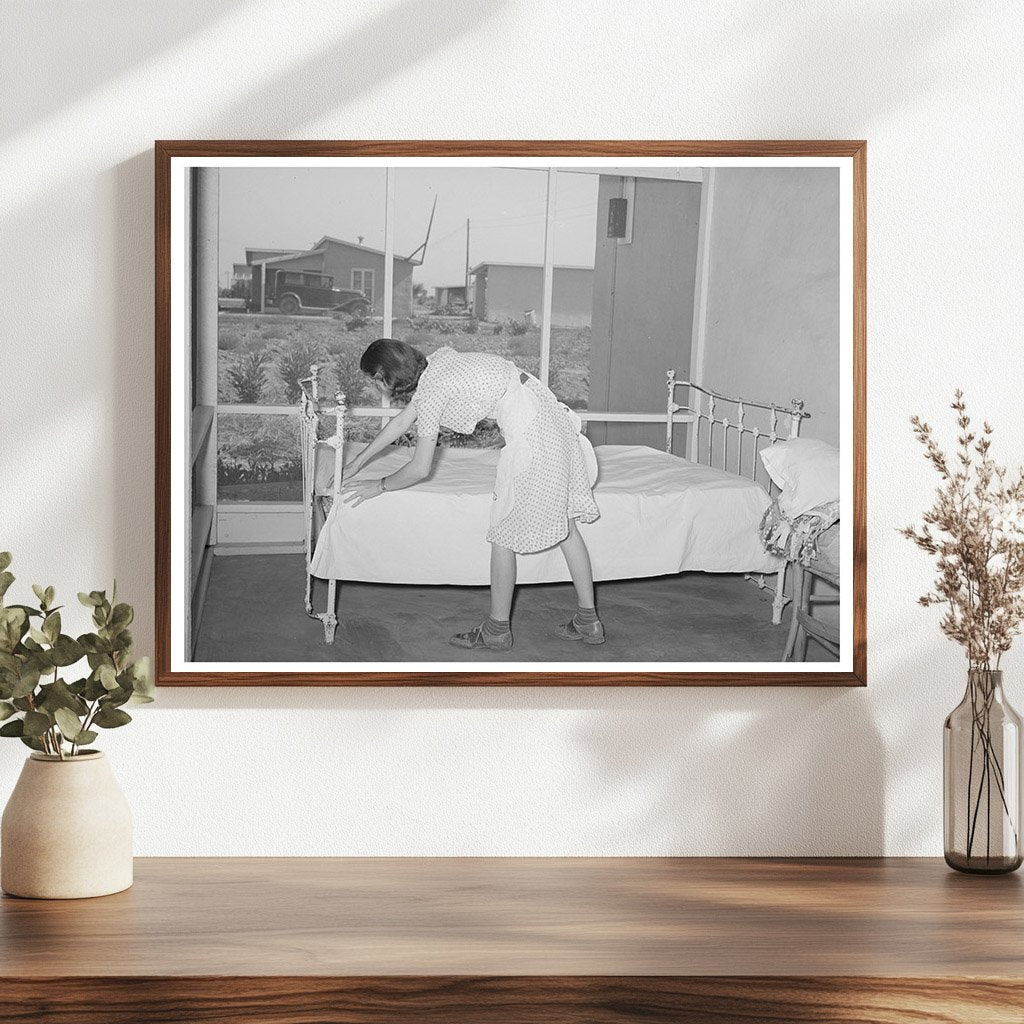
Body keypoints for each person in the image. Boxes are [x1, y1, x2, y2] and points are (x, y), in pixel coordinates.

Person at [341, 339, 604, 651]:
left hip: (534, 433)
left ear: (385, 376)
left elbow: (420, 467)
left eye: (374, 380)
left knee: (503, 534)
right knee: (566, 526)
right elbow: (402, 421)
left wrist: (380, 485)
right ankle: (589, 621)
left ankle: (496, 630)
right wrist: (358, 462)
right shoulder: (438, 365)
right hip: (552, 421)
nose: (375, 388)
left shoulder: (433, 390)